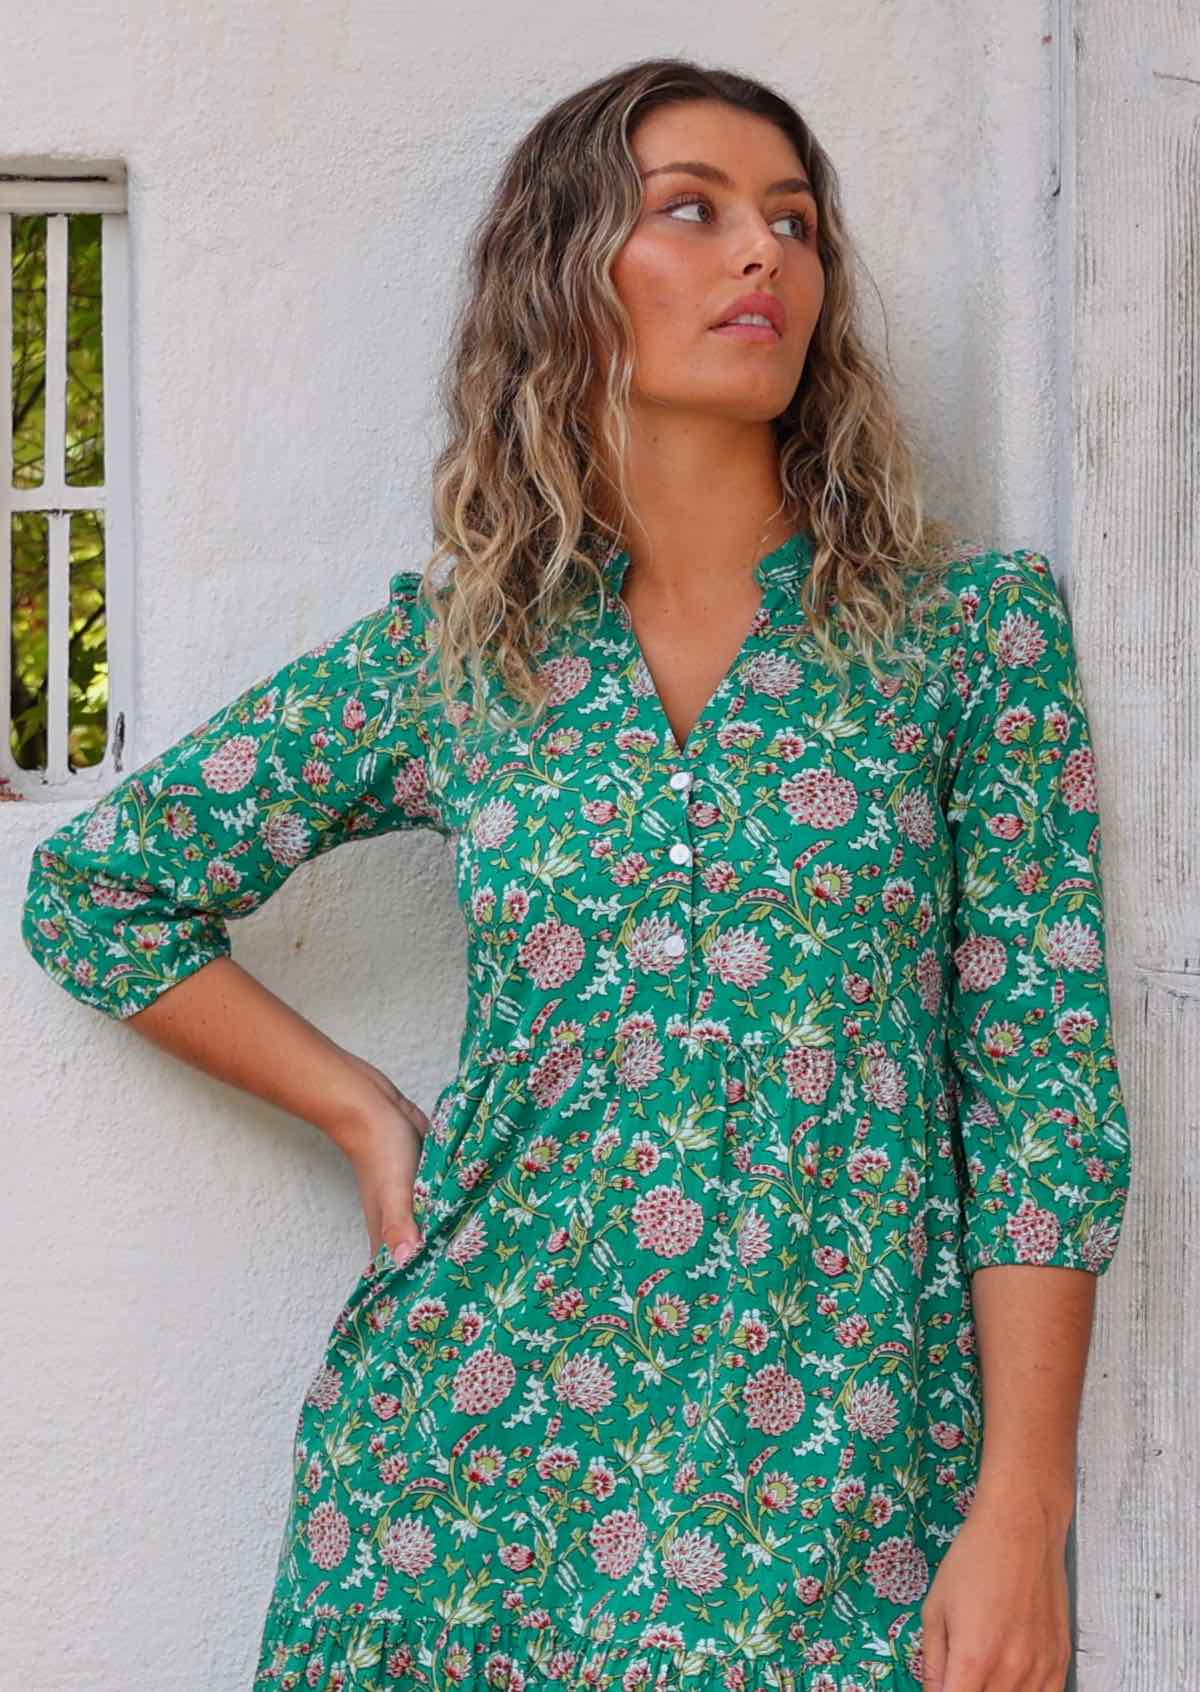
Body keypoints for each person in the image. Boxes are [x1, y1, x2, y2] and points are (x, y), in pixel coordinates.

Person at [20, 57, 1131, 1692]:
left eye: (795, 223)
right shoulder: (461, 659)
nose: (765, 254)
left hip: (850, 1478)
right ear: (566, 273)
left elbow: (1041, 1085)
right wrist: (362, 1112)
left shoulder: (966, 645)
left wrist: (1020, 1512)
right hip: (470, 1468)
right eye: (693, 209)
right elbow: (100, 891)